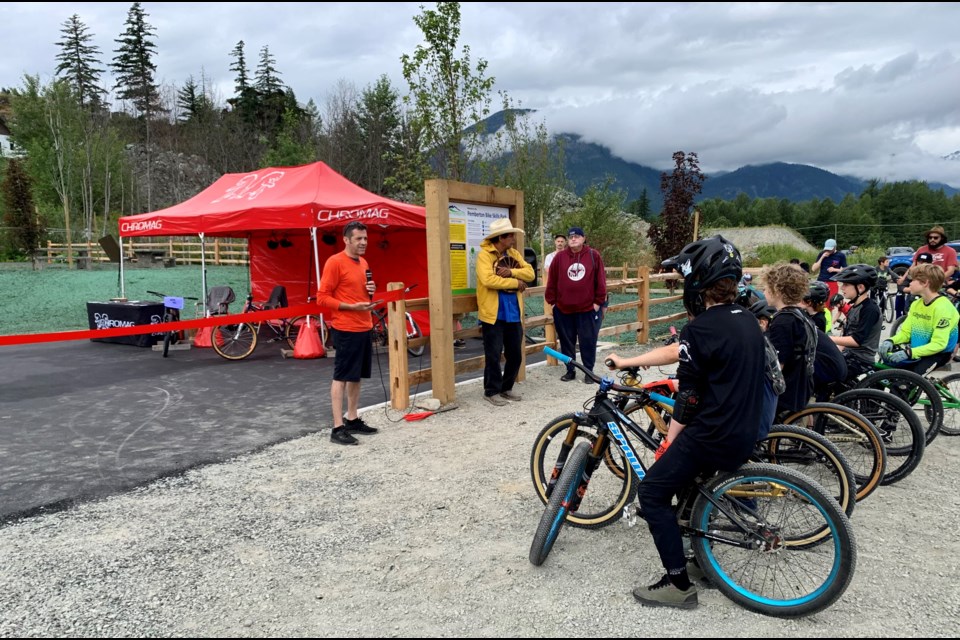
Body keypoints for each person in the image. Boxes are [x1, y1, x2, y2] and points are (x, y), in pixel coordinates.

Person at [615, 235, 766, 610]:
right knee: (691, 489)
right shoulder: (748, 320)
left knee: (651, 494)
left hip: (712, 433)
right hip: (744, 428)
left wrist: (671, 438)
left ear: (696, 283)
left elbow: (690, 398)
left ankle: (677, 584)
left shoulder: (698, 331)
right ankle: (700, 560)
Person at [317, 220, 380, 446]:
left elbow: (361, 293)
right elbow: (322, 297)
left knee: (357, 375)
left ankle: (352, 418)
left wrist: (371, 292)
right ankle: (337, 427)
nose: (363, 242)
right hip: (345, 327)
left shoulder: (363, 262)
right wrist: (349, 307)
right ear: (346, 240)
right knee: (342, 376)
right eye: (358, 239)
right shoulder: (335, 262)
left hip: (364, 325)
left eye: (365, 238)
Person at [476, 217, 535, 406]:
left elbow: (531, 274)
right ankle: (491, 390)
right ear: (501, 237)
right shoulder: (484, 255)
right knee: (493, 354)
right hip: (493, 313)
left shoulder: (514, 253)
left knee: (515, 353)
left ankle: (506, 387)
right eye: (510, 235)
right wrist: (516, 283)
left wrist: (511, 273)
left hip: (513, 312)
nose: (513, 238)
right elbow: (488, 280)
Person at [545, 226, 607, 383]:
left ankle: (588, 372)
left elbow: (600, 281)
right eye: (571, 237)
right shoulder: (559, 258)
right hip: (563, 309)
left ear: (584, 238)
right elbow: (551, 280)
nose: (573, 238)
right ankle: (570, 370)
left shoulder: (593, 255)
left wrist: (598, 303)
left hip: (587, 308)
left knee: (588, 341)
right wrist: (552, 303)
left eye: (577, 236)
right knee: (567, 342)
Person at [880, 263, 959, 376]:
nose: (909, 283)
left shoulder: (944, 308)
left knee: (906, 383)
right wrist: (891, 341)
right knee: (883, 373)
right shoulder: (916, 304)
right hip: (917, 350)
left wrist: (910, 353)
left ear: (925, 283)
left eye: (912, 280)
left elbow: (939, 344)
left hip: (938, 353)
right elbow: (906, 333)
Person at [763, 262, 817, 417]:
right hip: (803, 384)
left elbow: (778, 364)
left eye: (767, 288)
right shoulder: (801, 315)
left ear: (777, 291)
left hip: (788, 391)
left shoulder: (783, 321)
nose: (764, 291)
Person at [829, 264, 883, 382]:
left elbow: (856, 340)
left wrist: (828, 339)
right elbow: (845, 337)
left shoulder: (870, 309)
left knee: (824, 375)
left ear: (861, 287)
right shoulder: (854, 307)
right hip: (849, 355)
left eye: (846, 284)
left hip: (861, 360)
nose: (842, 288)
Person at [812, 239, 847, 308]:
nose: (828, 251)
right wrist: (822, 257)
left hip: (832, 282)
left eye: (830, 249)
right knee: (818, 303)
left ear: (835, 247)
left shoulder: (840, 255)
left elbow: (845, 269)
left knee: (830, 305)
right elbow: (813, 269)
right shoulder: (822, 253)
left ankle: (829, 318)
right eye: (827, 249)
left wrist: (835, 269)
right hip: (821, 281)